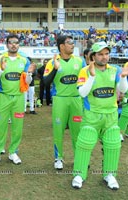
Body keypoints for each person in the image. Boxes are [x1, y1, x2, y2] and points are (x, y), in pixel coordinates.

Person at [71, 41, 128, 190]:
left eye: (106, 54)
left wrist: (124, 77)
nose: (104, 57)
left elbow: (122, 89)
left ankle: (109, 175)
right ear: (93, 56)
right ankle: (79, 175)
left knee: (113, 145)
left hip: (111, 115)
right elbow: (82, 93)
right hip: (92, 115)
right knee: (85, 144)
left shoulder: (115, 69)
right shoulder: (85, 71)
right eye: (100, 54)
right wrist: (92, 76)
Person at [0, 34, 35, 168]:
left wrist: (30, 73)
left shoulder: (24, 60)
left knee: (17, 127)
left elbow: (27, 82)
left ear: (19, 45)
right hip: (3, 97)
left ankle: (13, 152)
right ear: (6, 44)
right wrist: (1, 70)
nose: (14, 45)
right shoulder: (0, 59)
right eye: (11, 42)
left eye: (16, 42)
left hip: (19, 98)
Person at [43, 35, 84, 170]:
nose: (73, 45)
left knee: (77, 131)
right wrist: (55, 69)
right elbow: (45, 82)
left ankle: (79, 157)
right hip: (60, 99)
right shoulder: (53, 62)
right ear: (61, 46)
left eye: (73, 42)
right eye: (69, 43)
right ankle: (58, 158)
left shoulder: (79, 61)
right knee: (58, 130)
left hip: (76, 100)